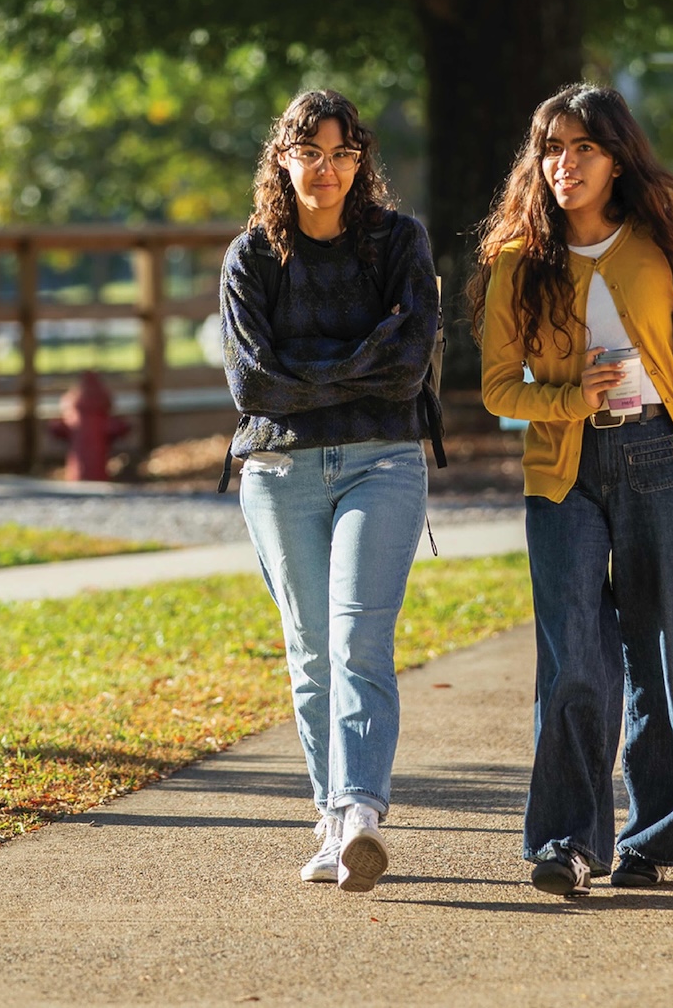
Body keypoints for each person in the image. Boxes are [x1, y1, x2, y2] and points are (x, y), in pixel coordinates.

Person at [473, 84, 673, 896]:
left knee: (670, 652)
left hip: (664, 460)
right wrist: (573, 397)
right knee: (573, 656)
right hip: (562, 472)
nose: (564, 165)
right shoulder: (514, 262)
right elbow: (499, 388)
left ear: (615, 159)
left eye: (583, 149)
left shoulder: (663, 244)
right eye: (552, 150)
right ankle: (565, 840)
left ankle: (655, 839)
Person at [220, 90, 441, 892]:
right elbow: (253, 382)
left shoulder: (397, 242)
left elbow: (408, 362)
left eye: (342, 153)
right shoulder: (251, 257)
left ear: (362, 161)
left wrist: (305, 372)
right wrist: (356, 365)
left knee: (356, 638)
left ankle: (359, 815)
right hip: (279, 472)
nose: (326, 168)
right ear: (283, 159)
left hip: (383, 461)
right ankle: (327, 814)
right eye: (309, 152)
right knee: (312, 649)